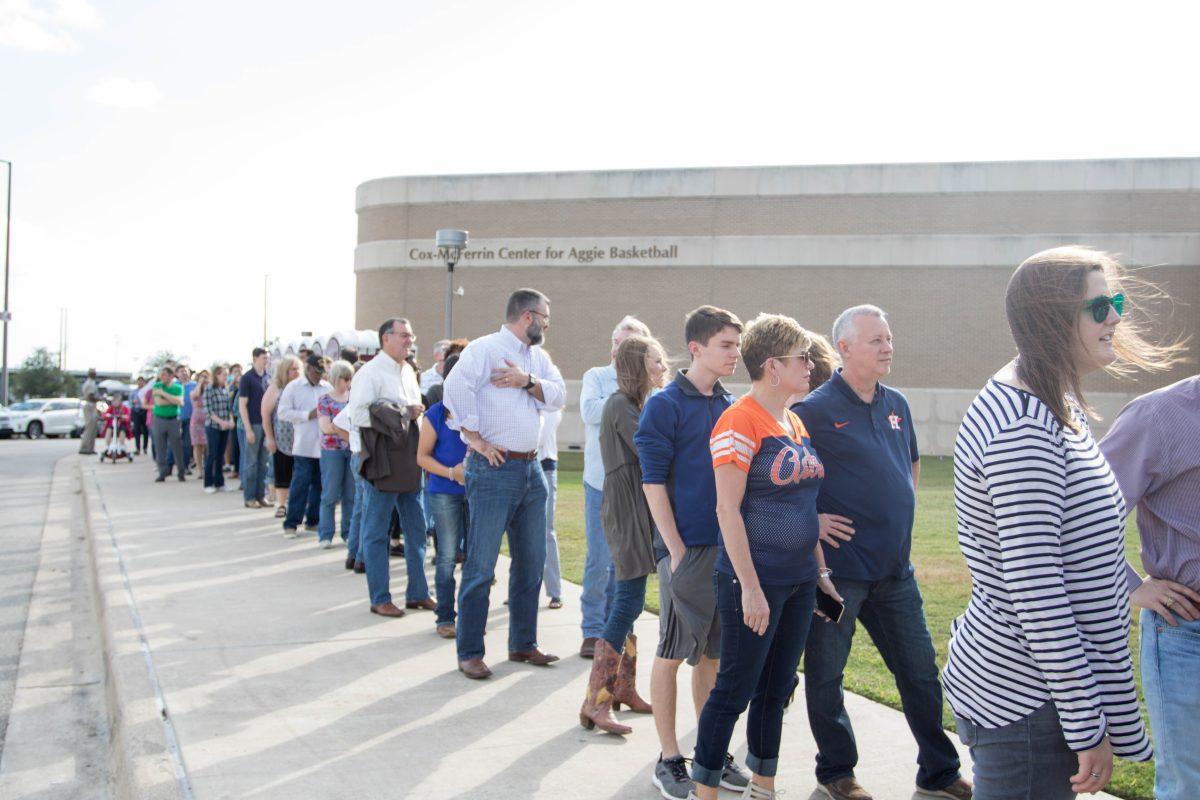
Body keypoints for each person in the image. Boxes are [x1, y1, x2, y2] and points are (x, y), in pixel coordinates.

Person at [943, 247, 1171, 799]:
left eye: (1116, 301)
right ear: (1051, 319)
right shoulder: (1023, 427)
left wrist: (1133, 586)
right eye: (1099, 307)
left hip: (1040, 694)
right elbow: (1036, 589)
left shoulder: (1050, 400)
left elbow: (1076, 545)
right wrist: (1086, 724)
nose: (1116, 316)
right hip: (1028, 701)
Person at [792, 304, 967, 800]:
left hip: (895, 573)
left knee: (920, 674)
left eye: (889, 338)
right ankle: (837, 774)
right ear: (844, 348)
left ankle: (939, 772)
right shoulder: (813, 411)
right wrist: (814, 522)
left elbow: (910, 462)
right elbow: (787, 486)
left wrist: (902, 504)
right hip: (837, 575)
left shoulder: (897, 404)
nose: (887, 346)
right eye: (875, 340)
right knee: (825, 677)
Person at [691, 313, 840, 800]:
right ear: (773, 365)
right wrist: (750, 587)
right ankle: (705, 791)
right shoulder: (738, 420)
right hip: (755, 581)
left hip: (798, 580)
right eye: (803, 357)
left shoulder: (792, 419)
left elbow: (806, 506)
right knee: (734, 689)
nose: (812, 365)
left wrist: (820, 572)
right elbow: (726, 510)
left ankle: (764, 786)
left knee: (777, 691)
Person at [634, 305, 749, 799]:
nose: (735, 355)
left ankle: (709, 751)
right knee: (674, 651)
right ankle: (668, 758)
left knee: (712, 658)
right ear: (697, 347)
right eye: (726, 345)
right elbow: (652, 484)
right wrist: (676, 550)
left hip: (726, 550)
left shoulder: (730, 404)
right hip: (685, 552)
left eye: (737, 346)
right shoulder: (664, 405)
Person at [443, 288, 567, 679]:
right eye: (545, 317)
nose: (548, 324)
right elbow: (453, 389)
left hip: (532, 470)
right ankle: (470, 652)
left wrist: (526, 381)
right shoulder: (484, 349)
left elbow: (559, 396)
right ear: (528, 317)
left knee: (531, 563)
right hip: (493, 470)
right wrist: (474, 437)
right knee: (481, 565)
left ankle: (522, 643)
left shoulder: (538, 359)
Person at [1100, 374, 1200, 800]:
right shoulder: (1159, 415)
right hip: (1187, 631)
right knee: (1188, 784)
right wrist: (1130, 586)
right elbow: (1083, 511)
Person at [579, 333, 667, 734]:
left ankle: (622, 689)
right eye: (655, 360)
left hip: (637, 505)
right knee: (628, 598)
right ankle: (595, 700)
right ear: (637, 365)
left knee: (630, 599)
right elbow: (651, 450)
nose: (662, 367)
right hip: (627, 506)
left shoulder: (633, 404)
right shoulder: (619, 405)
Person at [346, 317, 433, 617]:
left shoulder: (408, 370)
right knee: (376, 532)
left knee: (417, 530)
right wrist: (401, 413)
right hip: (381, 462)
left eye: (411, 335)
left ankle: (418, 593)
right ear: (386, 338)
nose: (410, 341)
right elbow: (356, 415)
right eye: (404, 336)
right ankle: (380, 598)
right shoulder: (369, 372)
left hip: (410, 461)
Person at [578, 315, 653, 657]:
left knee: (628, 573)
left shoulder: (650, 390)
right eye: (617, 342)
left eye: (629, 344)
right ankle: (593, 630)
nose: (619, 349)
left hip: (638, 491)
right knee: (599, 559)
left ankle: (619, 638)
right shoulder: (600, 380)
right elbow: (592, 411)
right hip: (601, 481)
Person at [416, 353, 469, 638]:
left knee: (476, 559)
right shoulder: (435, 414)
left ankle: (472, 617)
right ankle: (445, 617)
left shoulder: (479, 410)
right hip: (444, 492)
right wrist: (452, 472)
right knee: (447, 556)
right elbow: (421, 457)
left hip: (477, 494)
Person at [316, 360, 355, 549]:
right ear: (335, 378)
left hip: (352, 449)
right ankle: (325, 533)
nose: (348, 382)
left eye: (350, 378)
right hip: (332, 451)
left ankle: (347, 532)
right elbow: (326, 427)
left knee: (351, 494)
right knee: (330, 493)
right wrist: (343, 428)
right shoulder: (324, 400)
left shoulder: (353, 398)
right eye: (345, 378)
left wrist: (338, 426)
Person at [263, 355, 302, 523]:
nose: (296, 372)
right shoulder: (276, 388)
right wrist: (270, 438)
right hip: (281, 438)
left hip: (301, 439)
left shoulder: (302, 387)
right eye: (293, 369)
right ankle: (281, 504)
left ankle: (296, 504)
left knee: (299, 473)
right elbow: (265, 414)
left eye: (298, 368)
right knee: (282, 471)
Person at [238, 348, 271, 508]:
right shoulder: (247, 378)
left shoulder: (268, 377)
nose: (266, 360)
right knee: (251, 462)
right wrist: (248, 428)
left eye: (267, 358)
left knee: (263, 462)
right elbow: (242, 404)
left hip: (266, 424)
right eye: (264, 357)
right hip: (254, 424)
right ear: (255, 358)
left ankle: (261, 495)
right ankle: (249, 497)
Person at [539, 406, 564, 610]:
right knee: (517, 531)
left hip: (544, 466)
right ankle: (519, 591)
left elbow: (540, 436)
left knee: (547, 530)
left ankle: (555, 592)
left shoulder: (551, 402)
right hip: (519, 465)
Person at [203, 365, 235, 493]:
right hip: (213, 426)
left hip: (225, 426)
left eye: (227, 375)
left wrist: (231, 420)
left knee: (221, 455)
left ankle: (219, 482)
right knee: (212, 454)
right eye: (224, 375)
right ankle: (208, 483)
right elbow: (208, 410)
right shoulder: (209, 389)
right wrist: (221, 422)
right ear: (216, 375)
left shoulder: (225, 389)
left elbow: (229, 408)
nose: (226, 377)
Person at [151, 365, 186, 482]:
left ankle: (181, 471)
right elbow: (159, 402)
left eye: (164, 374)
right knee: (160, 447)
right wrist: (172, 400)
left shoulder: (178, 387)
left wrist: (164, 394)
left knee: (177, 446)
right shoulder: (157, 386)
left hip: (174, 420)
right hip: (159, 419)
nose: (162, 376)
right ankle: (162, 472)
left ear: (171, 376)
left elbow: (180, 402)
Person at [175, 365, 197, 473]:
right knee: (176, 442)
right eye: (181, 371)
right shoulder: (174, 385)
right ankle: (173, 464)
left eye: (186, 371)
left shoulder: (195, 385)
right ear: (177, 374)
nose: (184, 373)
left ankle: (186, 465)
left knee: (188, 443)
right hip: (176, 418)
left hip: (191, 418)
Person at [189, 370, 210, 481]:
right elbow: (196, 396)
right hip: (196, 420)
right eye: (202, 376)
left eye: (206, 376)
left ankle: (208, 467)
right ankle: (199, 470)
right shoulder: (194, 390)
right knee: (197, 445)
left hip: (208, 419)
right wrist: (200, 384)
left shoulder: (211, 389)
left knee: (208, 445)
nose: (204, 378)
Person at [79, 368, 99, 455]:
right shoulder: (90, 383)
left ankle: (90, 448)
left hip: (91, 405)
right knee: (90, 427)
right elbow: (91, 396)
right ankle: (85, 448)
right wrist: (100, 399)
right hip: (90, 405)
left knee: (93, 428)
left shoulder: (90, 382)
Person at [227, 363, 242, 476]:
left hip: (242, 418)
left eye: (239, 371)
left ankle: (239, 470)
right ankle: (236, 469)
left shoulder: (244, 385)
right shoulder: (230, 386)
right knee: (235, 445)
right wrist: (232, 383)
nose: (237, 373)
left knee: (241, 446)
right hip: (233, 417)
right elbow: (228, 398)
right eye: (235, 371)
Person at [129, 376, 149, 454]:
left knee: (145, 430)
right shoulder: (133, 392)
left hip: (144, 411)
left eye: (142, 381)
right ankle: (137, 448)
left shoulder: (146, 391)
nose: (140, 383)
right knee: (136, 430)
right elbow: (130, 402)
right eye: (139, 381)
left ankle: (145, 448)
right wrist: (133, 402)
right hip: (136, 412)